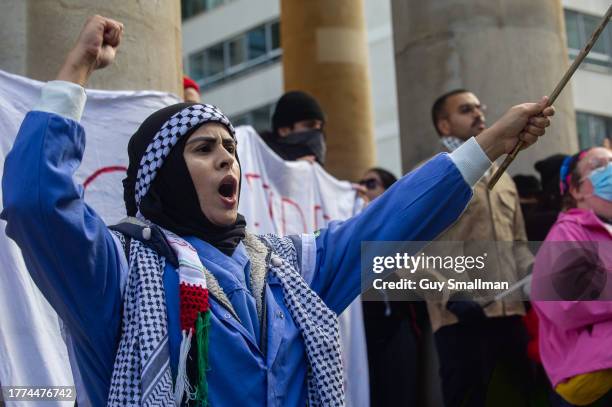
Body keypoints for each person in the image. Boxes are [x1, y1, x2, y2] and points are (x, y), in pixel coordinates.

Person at [1, 16, 554, 406]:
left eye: (231, 148)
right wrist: (73, 74)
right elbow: (34, 200)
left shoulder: (290, 269)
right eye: (203, 149)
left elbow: (387, 222)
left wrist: (487, 145)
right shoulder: (116, 274)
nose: (228, 160)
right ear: (163, 177)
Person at [427, 89, 536, 406]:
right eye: (465, 109)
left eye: (479, 107)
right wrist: (449, 295)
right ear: (444, 126)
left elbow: (517, 242)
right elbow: (409, 253)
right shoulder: (433, 175)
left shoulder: (504, 179)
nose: (478, 114)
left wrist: (532, 273)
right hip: (461, 322)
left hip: (510, 316)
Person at [532, 147, 612, 406]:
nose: (610, 170)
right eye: (599, 166)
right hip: (595, 377)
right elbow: (567, 300)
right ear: (576, 191)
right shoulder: (567, 232)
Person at [359, 167, 426, 406]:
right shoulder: (353, 229)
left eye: (371, 183)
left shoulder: (405, 228)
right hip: (365, 337)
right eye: (361, 183)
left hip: (398, 329)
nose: (363, 189)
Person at [259, 91, 326, 164]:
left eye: (321, 126)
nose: (318, 132)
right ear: (283, 131)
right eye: (310, 125)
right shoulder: (259, 162)